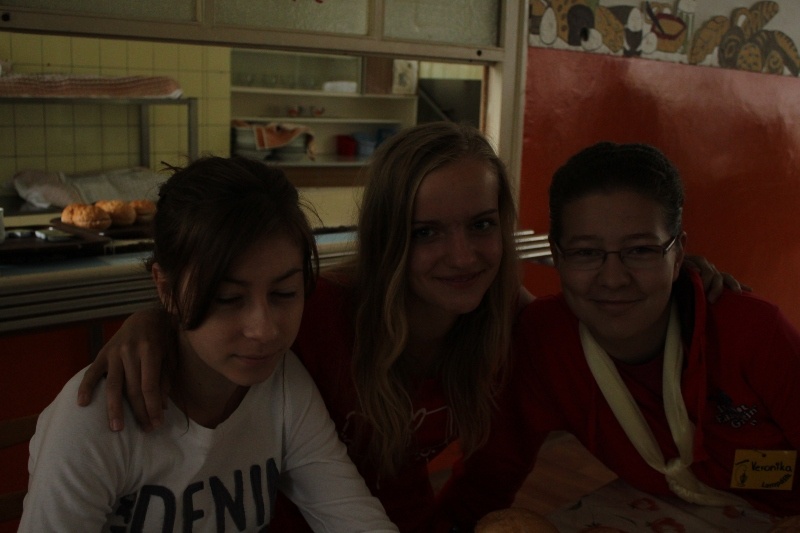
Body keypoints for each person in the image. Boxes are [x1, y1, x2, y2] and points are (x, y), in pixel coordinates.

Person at [74, 125, 741, 532]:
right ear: (389, 235)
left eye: (482, 224)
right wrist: (154, 322)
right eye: (427, 232)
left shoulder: (510, 321)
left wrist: (671, 276)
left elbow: (512, 450)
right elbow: (225, 321)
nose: (463, 255)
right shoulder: (317, 313)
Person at [19, 157, 398, 532]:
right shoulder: (96, 419)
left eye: (284, 293)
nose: (264, 330)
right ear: (166, 289)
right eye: (228, 299)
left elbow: (353, 516)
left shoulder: (282, 385)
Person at [439, 142, 800, 527]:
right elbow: (488, 478)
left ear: (678, 254)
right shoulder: (544, 342)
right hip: (665, 505)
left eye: (641, 250)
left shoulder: (752, 332)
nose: (613, 279)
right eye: (585, 252)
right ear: (557, 257)